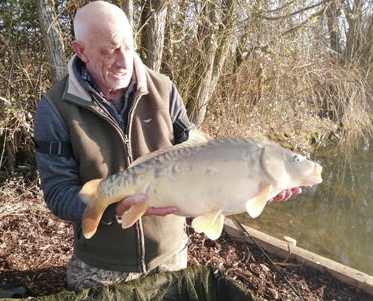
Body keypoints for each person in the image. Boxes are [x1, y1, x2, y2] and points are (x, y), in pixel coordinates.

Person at [34, 1, 299, 291]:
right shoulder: (54, 108)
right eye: (109, 50)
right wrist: (115, 208)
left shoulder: (164, 89)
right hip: (101, 264)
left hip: (171, 254)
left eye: (128, 45)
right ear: (80, 50)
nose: (124, 60)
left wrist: (256, 185)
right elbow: (59, 193)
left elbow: (192, 143)